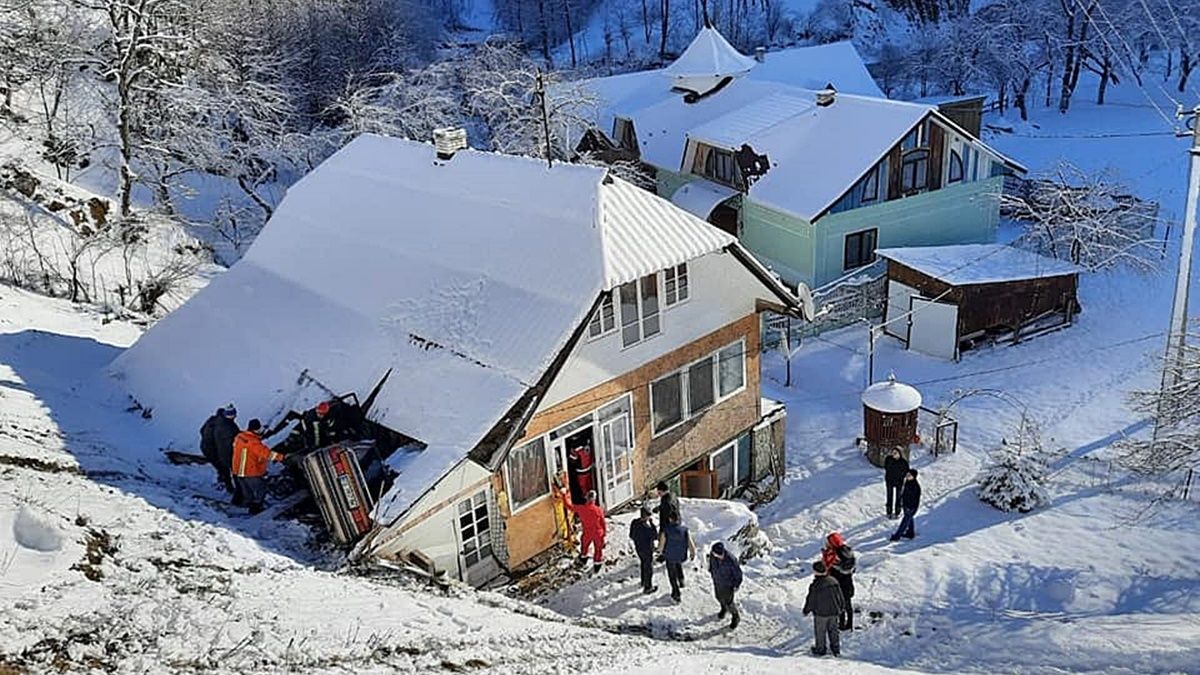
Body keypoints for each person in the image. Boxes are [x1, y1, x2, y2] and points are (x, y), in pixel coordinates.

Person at [231, 419, 283, 514]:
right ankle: (256, 507)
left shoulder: (239, 437)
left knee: (247, 491)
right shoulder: (253, 442)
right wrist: (281, 457)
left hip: (238, 470)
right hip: (250, 471)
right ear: (255, 430)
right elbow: (267, 454)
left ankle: (246, 503)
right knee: (261, 489)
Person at [802, 560, 845, 657]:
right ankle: (835, 649)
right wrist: (841, 606)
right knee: (833, 630)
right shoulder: (834, 581)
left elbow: (811, 599)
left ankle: (820, 649)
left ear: (816, 571)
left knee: (820, 631)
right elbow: (840, 596)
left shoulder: (816, 585)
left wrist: (806, 610)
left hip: (821, 612)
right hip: (834, 611)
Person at [559, 487, 606, 573]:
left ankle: (584, 558)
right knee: (598, 549)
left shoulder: (581, 509)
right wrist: (604, 533)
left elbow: (568, 505)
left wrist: (564, 494)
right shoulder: (598, 510)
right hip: (598, 533)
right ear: (594, 499)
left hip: (587, 532)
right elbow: (603, 523)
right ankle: (597, 564)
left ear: (586, 498)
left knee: (584, 546)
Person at [821, 532, 857, 630]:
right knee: (848, 605)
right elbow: (853, 569)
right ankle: (849, 624)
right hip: (848, 584)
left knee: (839, 606)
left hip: (837, 585)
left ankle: (841, 624)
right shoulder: (848, 552)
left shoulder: (833, 554)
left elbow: (827, 568)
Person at [657, 515, 696, 603]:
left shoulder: (666, 530)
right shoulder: (685, 530)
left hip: (669, 556)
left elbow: (662, 544)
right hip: (680, 555)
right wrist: (693, 552)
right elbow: (690, 542)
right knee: (678, 565)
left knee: (672, 575)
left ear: (670, 519)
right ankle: (681, 580)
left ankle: (676, 594)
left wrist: (659, 551)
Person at [707, 542, 743, 629]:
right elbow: (711, 565)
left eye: (715, 554)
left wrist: (736, 585)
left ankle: (735, 616)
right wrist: (711, 571)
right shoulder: (713, 555)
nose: (713, 555)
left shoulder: (731, 560)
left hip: (728, 585)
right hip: (717, 582)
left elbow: (738, 574)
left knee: (729, 602)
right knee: (718, 597)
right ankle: (724, 609)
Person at [211, 406, 241, 503]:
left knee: (224, 471)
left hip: (220, 452)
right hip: (229, 454)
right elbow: (232, 443)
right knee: (238, 476)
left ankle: (228, 486)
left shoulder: (218, 422)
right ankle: (238, 498)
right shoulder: (227, 427)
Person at [199, 407, 233, 493]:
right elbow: (223, 444)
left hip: (205, 447)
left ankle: (221, 479)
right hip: (213, 450)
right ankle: (229, 487)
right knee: (224, 468)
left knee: (219, 466)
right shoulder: (223, 425)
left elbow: (201, 430)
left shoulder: (211, 420)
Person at [628, 506, 659, 594]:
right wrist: (652, 525)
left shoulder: (634, 522)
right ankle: (648, 587)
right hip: (647, 550)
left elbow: (631, 535)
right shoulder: (647, 528)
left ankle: (643, 581)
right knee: (648, 568)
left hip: (638, 548)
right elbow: (655, 536)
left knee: (643, 564)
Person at [890, 469, 922, 542]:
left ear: (913, 476)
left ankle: (897, 536)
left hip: (911, 507)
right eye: (907, 475)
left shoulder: (915, 486)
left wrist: (909, 507)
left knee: (905, 522)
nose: (907, 476)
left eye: (909, 475)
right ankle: (910, 533)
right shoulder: (907, 482)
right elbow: (904, 493)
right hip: (906, 505)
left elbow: (915, 499)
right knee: (909, 519)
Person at [884, 447, 910, 519]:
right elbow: (886, 467)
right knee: (889, 496)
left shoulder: (903, 462)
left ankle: (897, 512)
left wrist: (902, 477)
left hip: (899, 482)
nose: (893, 454)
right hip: (890, 481)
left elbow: (906, 471)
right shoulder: (888, 459)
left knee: (898, 497)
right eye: (893, 452)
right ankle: (889, 512)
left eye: (895, 452)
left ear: (899, 453)